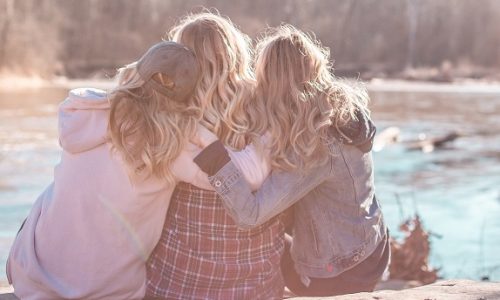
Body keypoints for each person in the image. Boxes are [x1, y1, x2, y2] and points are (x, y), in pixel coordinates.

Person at [5, 41, 257, 300]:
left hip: (31, 274)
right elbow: (246, 177)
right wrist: (204, 134)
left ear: (137, 73)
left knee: (52, 196)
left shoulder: (84, 112)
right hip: (108, 292)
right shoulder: (172, 146)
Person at [193, 25, 390, 297]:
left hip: (343, 270)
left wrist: (214, 155)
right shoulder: (336, 108)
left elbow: (250, 215)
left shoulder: (317, 144)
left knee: (256, 240)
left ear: (273, 84)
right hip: (370, 243)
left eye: (261, 78)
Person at [145, 13, 285, 300]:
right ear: (236, 54)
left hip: (177, 283)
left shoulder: (171, 115)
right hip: (255, 286)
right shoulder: (268, 106)